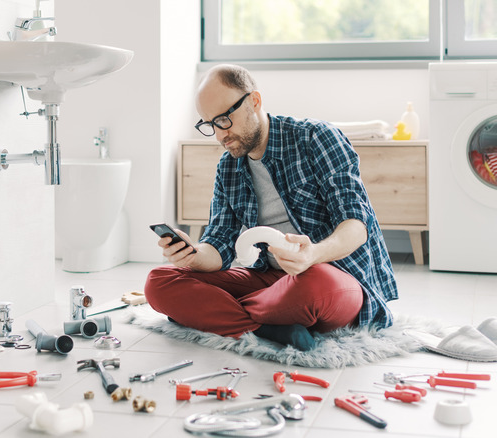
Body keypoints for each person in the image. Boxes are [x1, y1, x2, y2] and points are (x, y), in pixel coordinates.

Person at [144, 64, 398, 351]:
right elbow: (218, 246)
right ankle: (267, 327)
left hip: (328, 274)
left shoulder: (316, 137)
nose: (219, 135)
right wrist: (191, 255)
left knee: (315, 287)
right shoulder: (228, 167)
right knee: (159, 281)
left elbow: (356, 225)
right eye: (210, 125)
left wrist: (313, 254)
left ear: (254, 101)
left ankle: (217, 314)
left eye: (224, 119)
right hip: (270, 280)